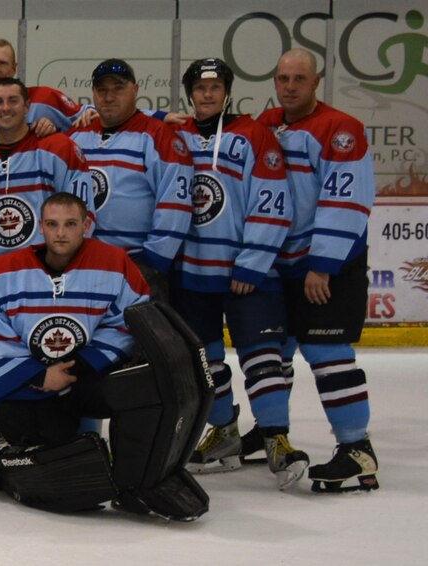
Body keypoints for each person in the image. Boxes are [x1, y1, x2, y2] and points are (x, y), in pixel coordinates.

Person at [0, 193, 205, 520]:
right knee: (64, 465)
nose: (61, 233)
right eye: (52, 225)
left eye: (70, 224)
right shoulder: (0, 270)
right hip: (28, 385)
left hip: (85, 376)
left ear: (86, 225)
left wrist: (83, 364)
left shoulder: (116, 264)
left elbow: (131, 320)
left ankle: (136, 481)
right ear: (41, 227)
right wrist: (38, 375)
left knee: (147, 392)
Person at [165, 59, 295, 485]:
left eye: (215, 87)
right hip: (192, 274)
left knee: (262, 357)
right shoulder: (176, 133)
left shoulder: (253, 134)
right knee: (206, 360)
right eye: (200, 88)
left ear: (227, 91)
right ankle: (223, 430)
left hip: (245, 273)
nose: (207, 95)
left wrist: (253, 262)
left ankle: (276, 437)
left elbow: (273, 203)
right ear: (189, 93)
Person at [256, 48, 379, 493]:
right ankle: (275, 432)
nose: (289, 86)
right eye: (282, 78)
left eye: (298, 79)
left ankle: (357, 448)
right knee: (279, 351)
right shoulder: (267, 124)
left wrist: (322, 264)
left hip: (326, 266)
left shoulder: (341, 129)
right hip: (282, 263)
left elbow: (347, 199)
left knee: (328, 355)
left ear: (316, 82)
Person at [65, 59, 190, 301]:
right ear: (93, 94)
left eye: (118, 88)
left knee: (143, 338)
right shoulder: (77, 135)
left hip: (138, 265)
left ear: (135, 89)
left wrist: (154, 260)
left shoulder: (158, 135)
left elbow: (176, 204)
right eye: (102, 90)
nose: (109, 97)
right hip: (82, 264)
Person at [0, 77, 92, 262]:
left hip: (47, 271)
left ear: (27, 106)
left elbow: (83, 214)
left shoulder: (58, 149)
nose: (5, 108)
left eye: (13, 101)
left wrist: (63, 268)